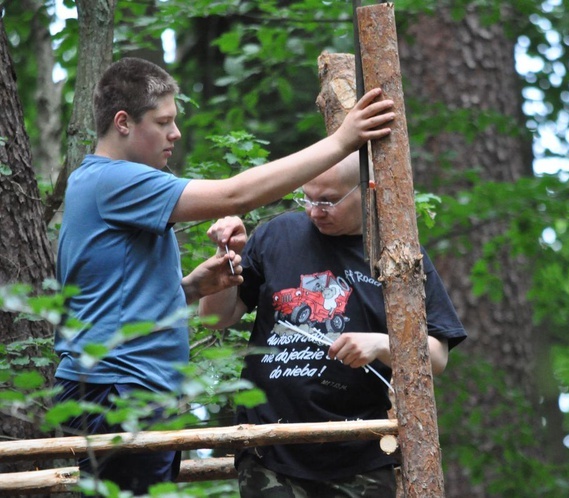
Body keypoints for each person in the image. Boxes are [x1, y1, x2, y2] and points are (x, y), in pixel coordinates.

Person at [53, 57, 394, 494]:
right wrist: (343, 140)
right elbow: (235, 193)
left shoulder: (109, 185)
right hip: (118, 391)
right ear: (123, 122)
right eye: (164, 122)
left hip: (131, 389)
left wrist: (193, 288)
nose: (175, 133)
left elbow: (109, 297)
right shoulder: (112, 180)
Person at [199, 152, 467, 497]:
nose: (314, 211)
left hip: (359, 453)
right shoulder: (276, 235)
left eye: (328, 201)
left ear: (366, 189)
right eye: (307, 198)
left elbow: (438, 356)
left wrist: (382, 344)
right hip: (269, 446)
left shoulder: (400, 253)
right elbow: (215, 318)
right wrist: (225, 267)